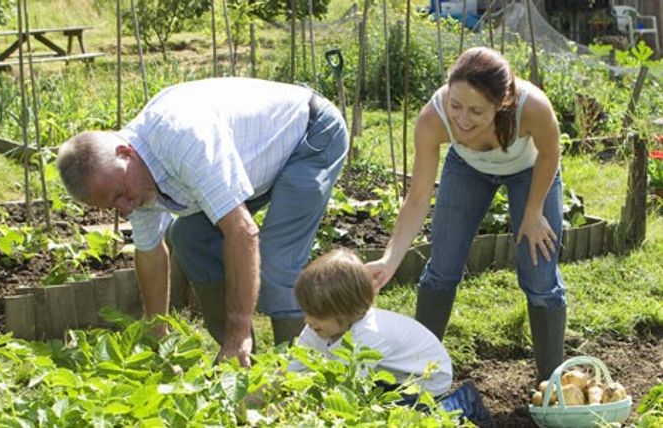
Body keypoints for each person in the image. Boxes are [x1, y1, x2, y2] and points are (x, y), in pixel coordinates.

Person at [56, 77, 349, 366]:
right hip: (258, 160)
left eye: (121, 195)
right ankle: (239, 364)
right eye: (112, 205)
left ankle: (300, 368)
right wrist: (156, 331)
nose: (125, 208)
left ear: (126, 153)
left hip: (309, 137)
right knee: (189, 237)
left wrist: (240, 328)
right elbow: (150, 252)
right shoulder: (132, 181)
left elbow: (242, 232)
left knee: (275, 262)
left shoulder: (182, 139)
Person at [364, 47, 566, 383]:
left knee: (540, 275)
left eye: (476, 110)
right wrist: (389, 259)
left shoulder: (532, 107)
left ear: (502, 102)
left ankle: (552, 385)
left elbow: (550, 153)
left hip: (530, 170)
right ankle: (420, 373)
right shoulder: (433, 118)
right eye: (455, 105)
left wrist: (533, 213)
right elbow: (417, 199)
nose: (462, 119)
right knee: (442, 267)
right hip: (467, 168)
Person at [287, 248, 453, 397]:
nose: (307, 320)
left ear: (348, 312)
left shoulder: (369, 336)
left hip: (426, 381)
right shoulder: (319, 327)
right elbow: (295, 367)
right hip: (390, 374)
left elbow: (343, 391)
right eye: (307, 311)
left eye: (317, 315)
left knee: (384, 413)